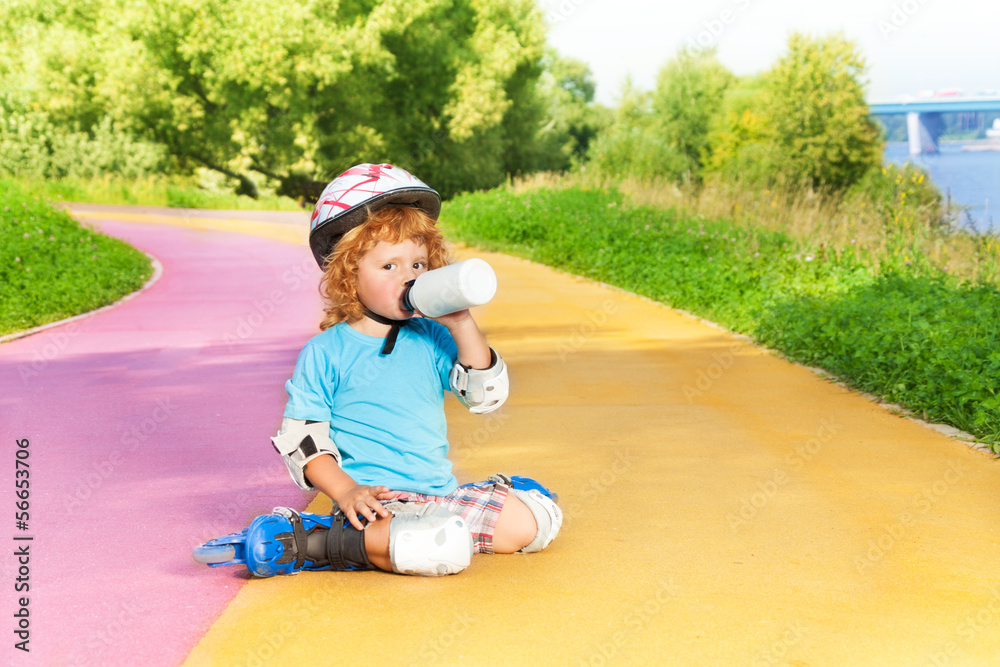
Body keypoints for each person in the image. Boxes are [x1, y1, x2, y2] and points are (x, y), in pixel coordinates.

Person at [194, 163, 561, 577]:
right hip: (374, 502)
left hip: (442, 496)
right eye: (390, 267)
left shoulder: (432, 336)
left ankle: (459, 517)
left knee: (536, 524)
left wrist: (460, 322)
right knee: (434, 549)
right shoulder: (326, 352)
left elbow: (484, 395)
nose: (408, 278)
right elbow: (305, 443)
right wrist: (346, 491)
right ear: (349, 275)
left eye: (418, 266)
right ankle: (316, 541)